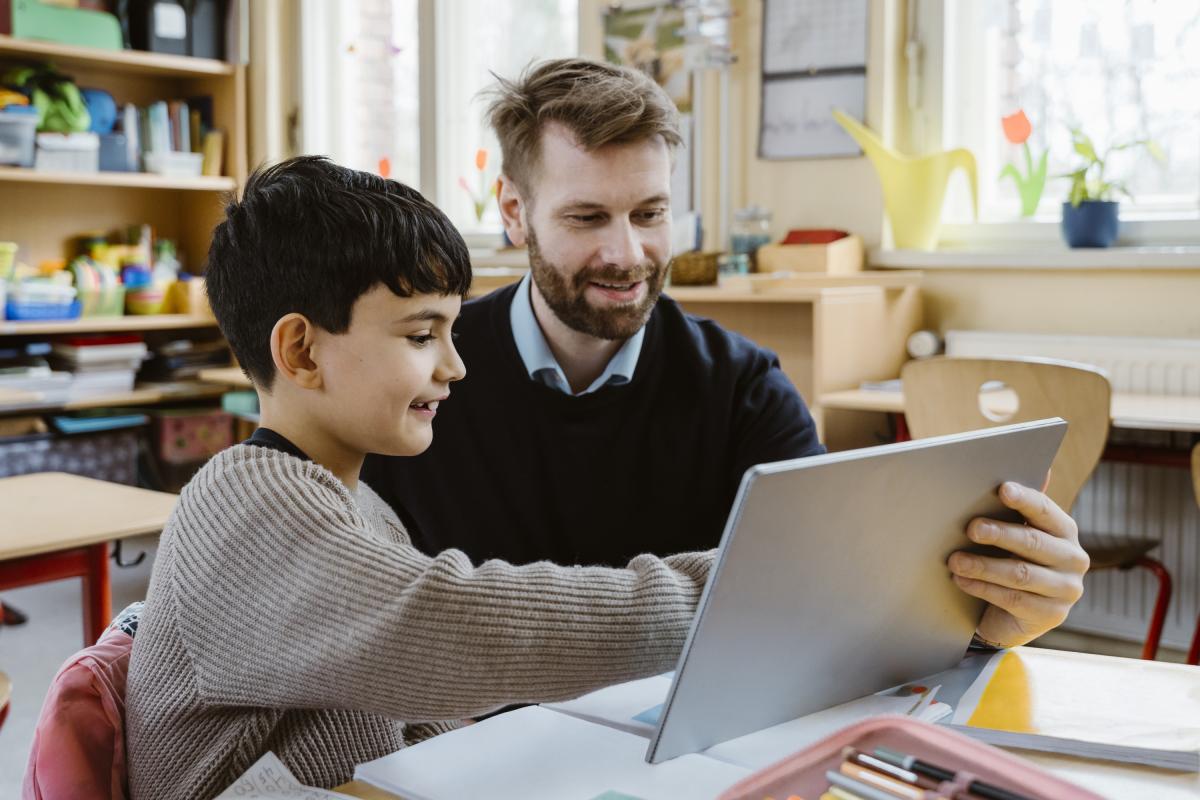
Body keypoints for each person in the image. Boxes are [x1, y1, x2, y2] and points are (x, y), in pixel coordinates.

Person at [361, 58, 1089, 651]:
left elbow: (828, 599)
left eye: (650, 214)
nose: (627, 254)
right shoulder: (420, 377)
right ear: (514, 213)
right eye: (587, 217)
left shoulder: (742, 386)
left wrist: (985, 625)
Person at [125, 157, 719, 799]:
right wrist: (719, 594)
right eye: (420, 336)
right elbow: (455, 628)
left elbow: (418, 723)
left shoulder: (359, 503)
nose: (455, 366)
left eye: (452, 331)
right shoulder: (247, 508)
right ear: (301, 351)